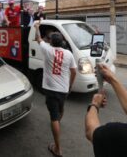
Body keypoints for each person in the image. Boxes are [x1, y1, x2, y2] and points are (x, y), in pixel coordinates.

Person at [34, 21, 77, 157]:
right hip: (63, 89)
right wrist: (70, 85)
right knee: (60, 109)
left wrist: (36, 27)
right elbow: (74, 71)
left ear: (51, 42)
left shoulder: (47, 50)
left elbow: (38, 39)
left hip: (51, 90)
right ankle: (57, 123)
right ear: (62, 41)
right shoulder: (68, 54)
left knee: (53, 116)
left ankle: (57, 149)